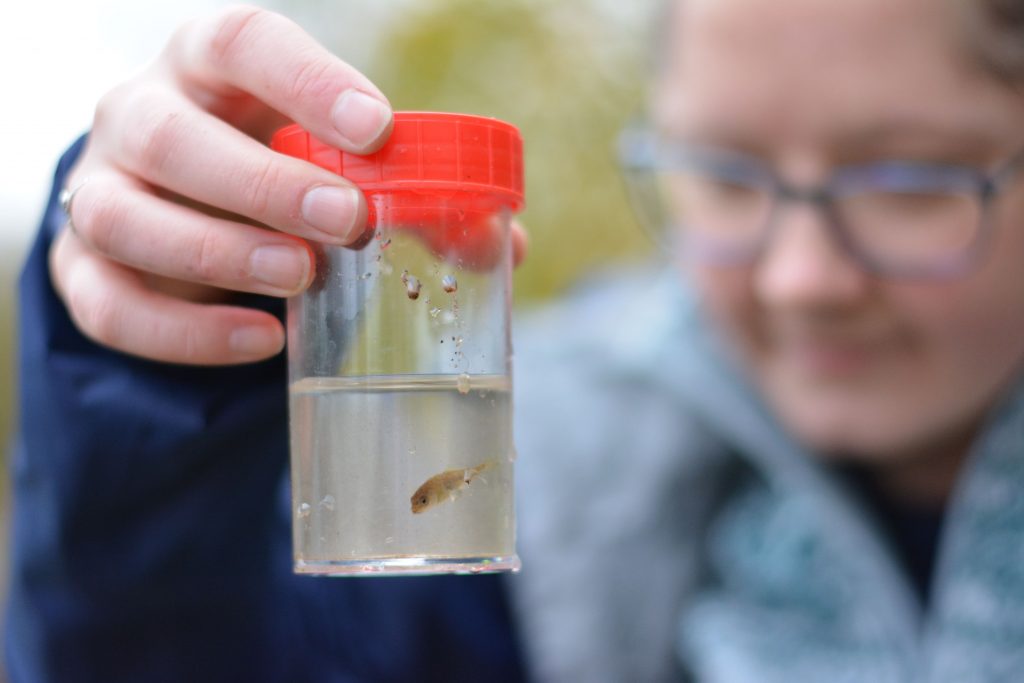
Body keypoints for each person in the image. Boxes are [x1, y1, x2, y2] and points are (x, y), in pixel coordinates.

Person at [10, 0, 1024, 680]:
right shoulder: (570, 487)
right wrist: (157, 373)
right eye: (723, 175)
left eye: (909, 182)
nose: (800, 278)